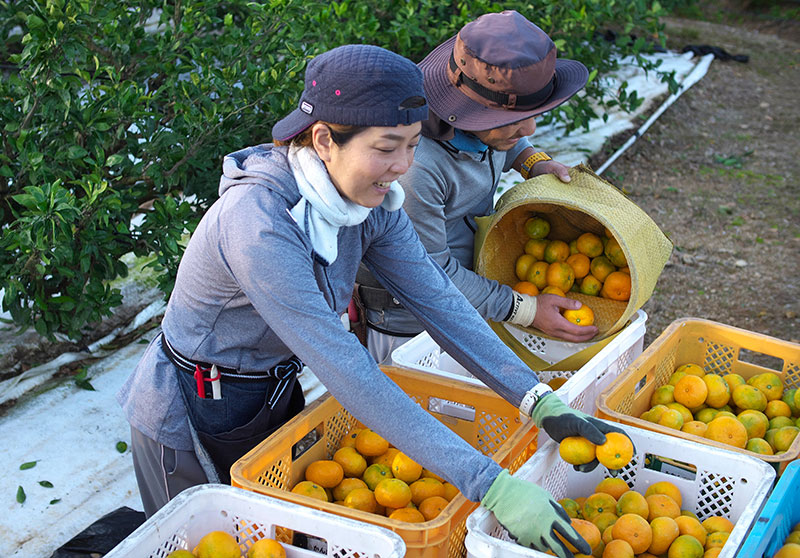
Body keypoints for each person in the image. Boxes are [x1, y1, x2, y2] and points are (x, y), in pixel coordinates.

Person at [117, 43, 630, 558]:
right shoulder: (259, 225)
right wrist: (490, 485)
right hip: (192, 408)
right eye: (386, 148)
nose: (401, 166)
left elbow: (439, 300)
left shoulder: (372, 205)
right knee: (204, 543)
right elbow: (345, 368)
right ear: (323, 140)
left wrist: (536, 399)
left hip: (272, 393)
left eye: (411, 145)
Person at [356, 11, 599, 364]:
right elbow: (431, 276)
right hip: (412, 320)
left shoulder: (486, 128)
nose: (528, 128)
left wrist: (532, 161)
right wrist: (528, 310)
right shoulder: (415, 169)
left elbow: (503, 140)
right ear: (468, 111)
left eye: (534, 114)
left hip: (474, 288)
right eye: (514, 121)